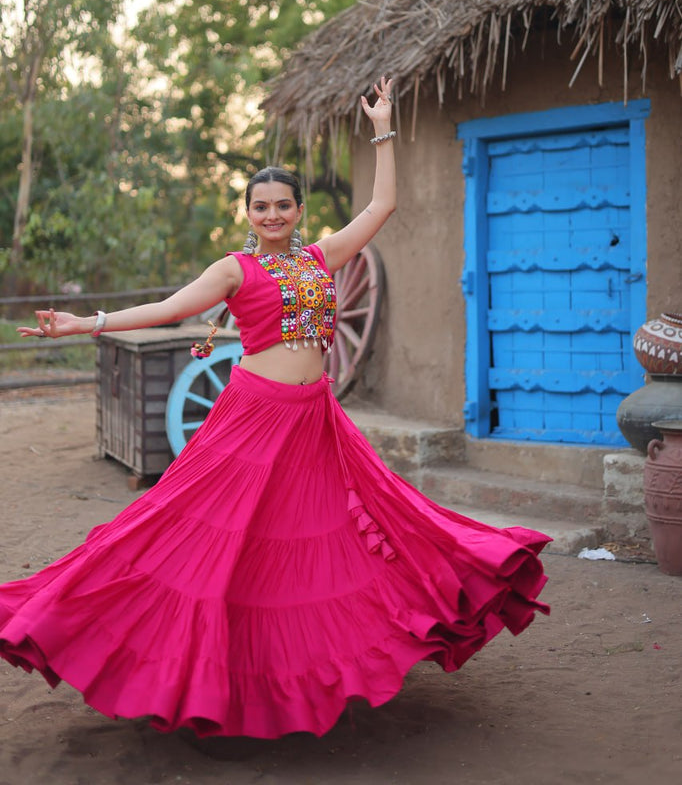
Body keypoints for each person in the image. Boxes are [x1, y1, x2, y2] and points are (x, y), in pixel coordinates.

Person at [0, 76, 550, 740]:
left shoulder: (322, 258)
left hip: (314, 418)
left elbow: (383, 205)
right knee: (212, 538)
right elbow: (171, 308)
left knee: (313, 542)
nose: (271, 215)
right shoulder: (235, 270)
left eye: (281, 205)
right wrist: (84, 324)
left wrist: (383, 128)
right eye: (260, 206)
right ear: (248, 213)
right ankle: (169, 659)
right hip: (253, 417)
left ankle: (298, 668)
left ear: (298, 209)